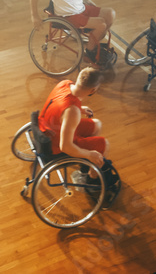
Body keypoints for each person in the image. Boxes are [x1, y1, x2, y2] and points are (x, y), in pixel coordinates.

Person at [37, 67, 120, 201]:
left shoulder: (64, 83)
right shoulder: (72, 111)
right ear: (93, 90)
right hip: (56, 146)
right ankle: (92, 182)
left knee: (97, 124)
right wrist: (89, 154)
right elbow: (65, 147)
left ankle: (86, 165)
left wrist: (79, 108)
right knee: (104, 145)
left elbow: (61, 105)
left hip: (47, 128)